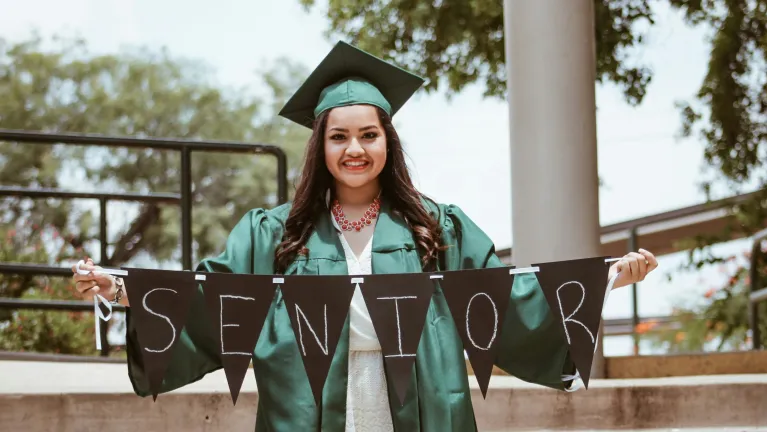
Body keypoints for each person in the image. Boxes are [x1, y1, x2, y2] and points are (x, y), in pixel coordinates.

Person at [72, 41, 659, 432]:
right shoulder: (274, 232)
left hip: (418, 400)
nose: (355, 149)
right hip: (310, 401)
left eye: (369, 135)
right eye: (339, 137)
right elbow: (210, 299)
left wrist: (601, 279)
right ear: (321, 146)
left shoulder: (437, 226)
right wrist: (121, 288)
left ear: (387, 142)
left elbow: (501, 298)